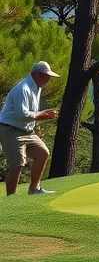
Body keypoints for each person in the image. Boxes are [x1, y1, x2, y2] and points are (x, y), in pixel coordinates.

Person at [0, 61, 60, 195]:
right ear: (37, 74)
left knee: (43, 153)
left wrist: (41, 116)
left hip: (26, 131)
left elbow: (28, 115)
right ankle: (11, 199)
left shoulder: (36, 87)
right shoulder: (24, 88)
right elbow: (22, 114)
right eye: (47, 76)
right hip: (10, 130)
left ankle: (34, 189)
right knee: (18, 164)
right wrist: (41, 115)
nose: (49, 79)